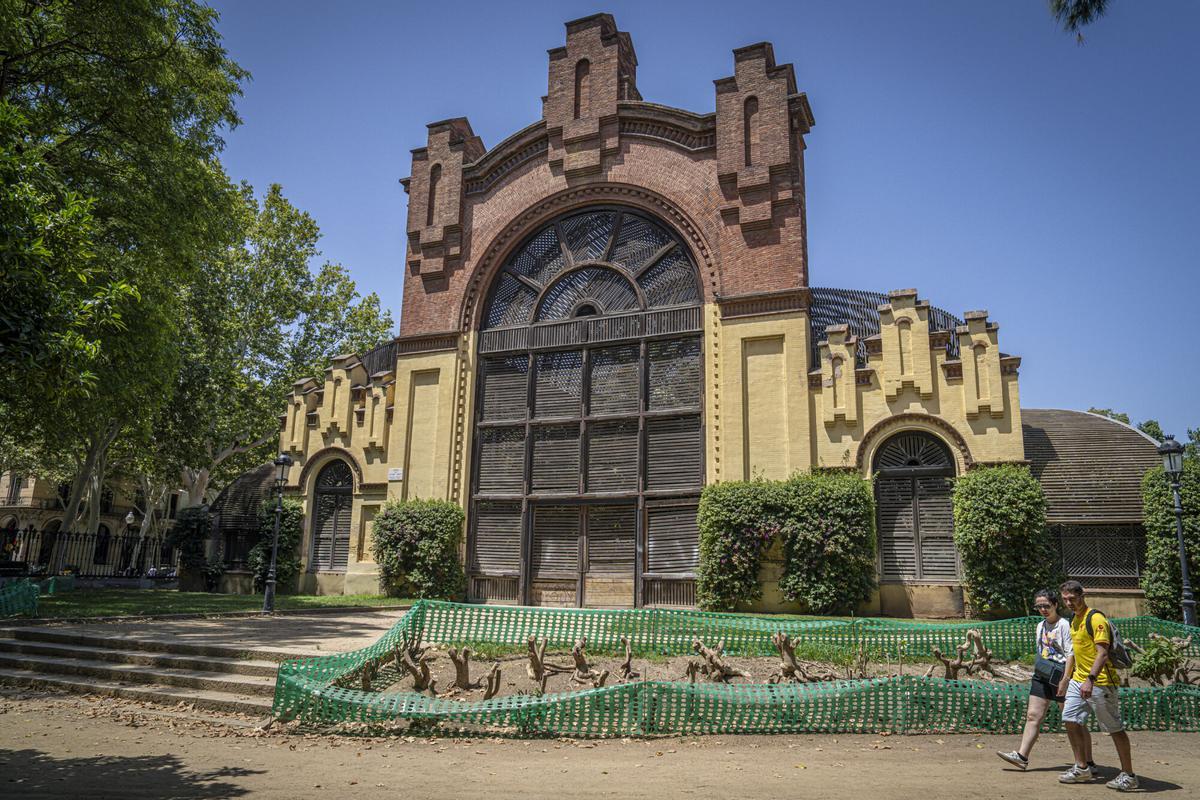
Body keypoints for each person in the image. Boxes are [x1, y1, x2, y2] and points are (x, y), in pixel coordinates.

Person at [997, 588, 1093, 771]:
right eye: (1039, 606)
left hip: (1062, 675)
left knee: (1073, 721)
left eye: (1046, 605)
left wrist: (1065, 679)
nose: (1043, 609)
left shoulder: (1064, 625)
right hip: (1042, 675)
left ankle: (1087, 762)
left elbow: (1071, 654)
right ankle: (1022, 756)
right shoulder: (1040, 625)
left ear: (1055, 605)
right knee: (1033, 716)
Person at [1058, 580, 1138, 792]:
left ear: (1082, 596)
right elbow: (1075, 652)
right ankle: (1082, 767)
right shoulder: (1074, 620)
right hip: (1078, 680)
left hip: (1100, 682)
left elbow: (1102, 653)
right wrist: (1068, 678)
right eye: (1065, 599)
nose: (1069, 603)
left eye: (1072, 599)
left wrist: (1090, 679)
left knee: (1114, 728)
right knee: (1070, 719)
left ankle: (1129, 775)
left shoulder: (1096, 619)